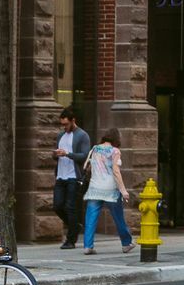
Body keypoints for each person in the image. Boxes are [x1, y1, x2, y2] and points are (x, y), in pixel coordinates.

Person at [80, 127, 134, 253]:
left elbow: (86, 167)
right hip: (110, 188)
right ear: (116, 138)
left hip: (95, 187)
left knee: (91, 218)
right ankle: (126, 243)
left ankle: (88, 246)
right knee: (118, 217)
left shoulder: (95, 149)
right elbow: (116, 171)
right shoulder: (115, 151)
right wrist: (123, 190)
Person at [52, 107, 91, 249]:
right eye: (62, 125)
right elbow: (56, 154)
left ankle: (70, 240)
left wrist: (67, 154)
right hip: (61, 176)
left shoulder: (82, 135)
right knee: (57, 206)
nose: (64, 127)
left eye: (66, 124)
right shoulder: (60, 136)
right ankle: (75, 226)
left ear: (73, 121)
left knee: (70, 208)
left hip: (74, 177)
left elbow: (85, 156)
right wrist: (55, 154)